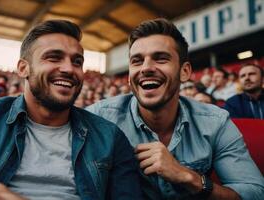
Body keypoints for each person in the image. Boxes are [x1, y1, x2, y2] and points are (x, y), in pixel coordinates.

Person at [0, 20, 142, 200]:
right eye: (54, 57)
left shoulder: (109, 136)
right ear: (23, 68)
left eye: (77, 61)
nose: (69, 69)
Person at [87, 18, 264, 199]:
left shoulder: (216, 122)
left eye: (161, 58)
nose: (146, 68)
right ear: (129, 76)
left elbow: (255, 193)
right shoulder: (97, 118)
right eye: (137, 61)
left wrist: (189, 178)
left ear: (185, 71)